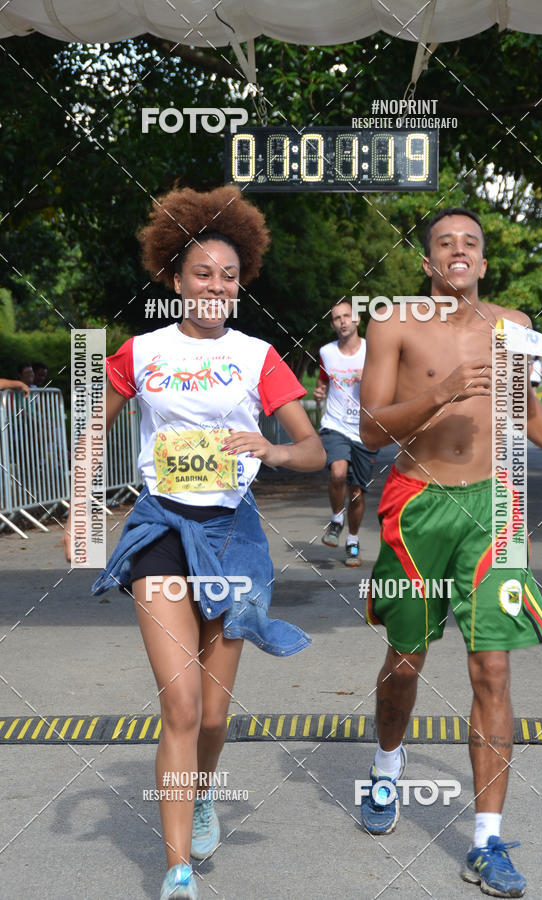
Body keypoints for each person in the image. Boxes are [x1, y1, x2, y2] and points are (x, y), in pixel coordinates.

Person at [61, 185, 325, 900]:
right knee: (178, 704)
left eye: (229, 277)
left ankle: (201, 791)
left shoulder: (257, 358)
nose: (215, 286)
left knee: (212, 712)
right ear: (174, 278)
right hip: (161, 529)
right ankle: (177, 868)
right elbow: (93, 431)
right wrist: (81, 516)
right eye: (202, 273)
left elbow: (313, 451)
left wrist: (269, 452)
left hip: (232, 537)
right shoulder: (139, 352)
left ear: (241, 287)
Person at [358, 208, 542, 898]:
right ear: (428, 263)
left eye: (470, 244)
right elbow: (371, 429)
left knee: (491, 670)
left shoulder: (513, 327)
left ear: (483, 263)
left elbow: (524, 409)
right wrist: (436, 396)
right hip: (417, 506)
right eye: (444, 243)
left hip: (496, 509)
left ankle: (486, 843)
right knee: (405, 663)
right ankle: (386, 766)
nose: (458, 251)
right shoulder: (393, 322)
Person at [314, 299, 379, 566]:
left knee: (357, 493)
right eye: (336, 318)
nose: (342, 321)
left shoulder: (372, 351)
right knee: (338, 471)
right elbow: (323, 381)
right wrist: (319, 392)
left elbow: (389, 387)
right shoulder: (327, 352)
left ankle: (352, 540)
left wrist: (371, 379)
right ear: (332, 324)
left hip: (364, 429)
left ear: (357, 320)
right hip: (335, 424)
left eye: (346, 316)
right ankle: (335, 520)